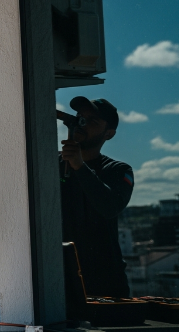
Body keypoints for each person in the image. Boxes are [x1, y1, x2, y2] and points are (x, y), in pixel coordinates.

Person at [60, 96, 134, 298]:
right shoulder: (52, 163)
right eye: (80, 117)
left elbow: (109, 207)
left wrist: (79, 166)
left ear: (108, 134)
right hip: (59, 275)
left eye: (91, 121)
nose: (81, 124)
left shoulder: (118, 170)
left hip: (105, 280)